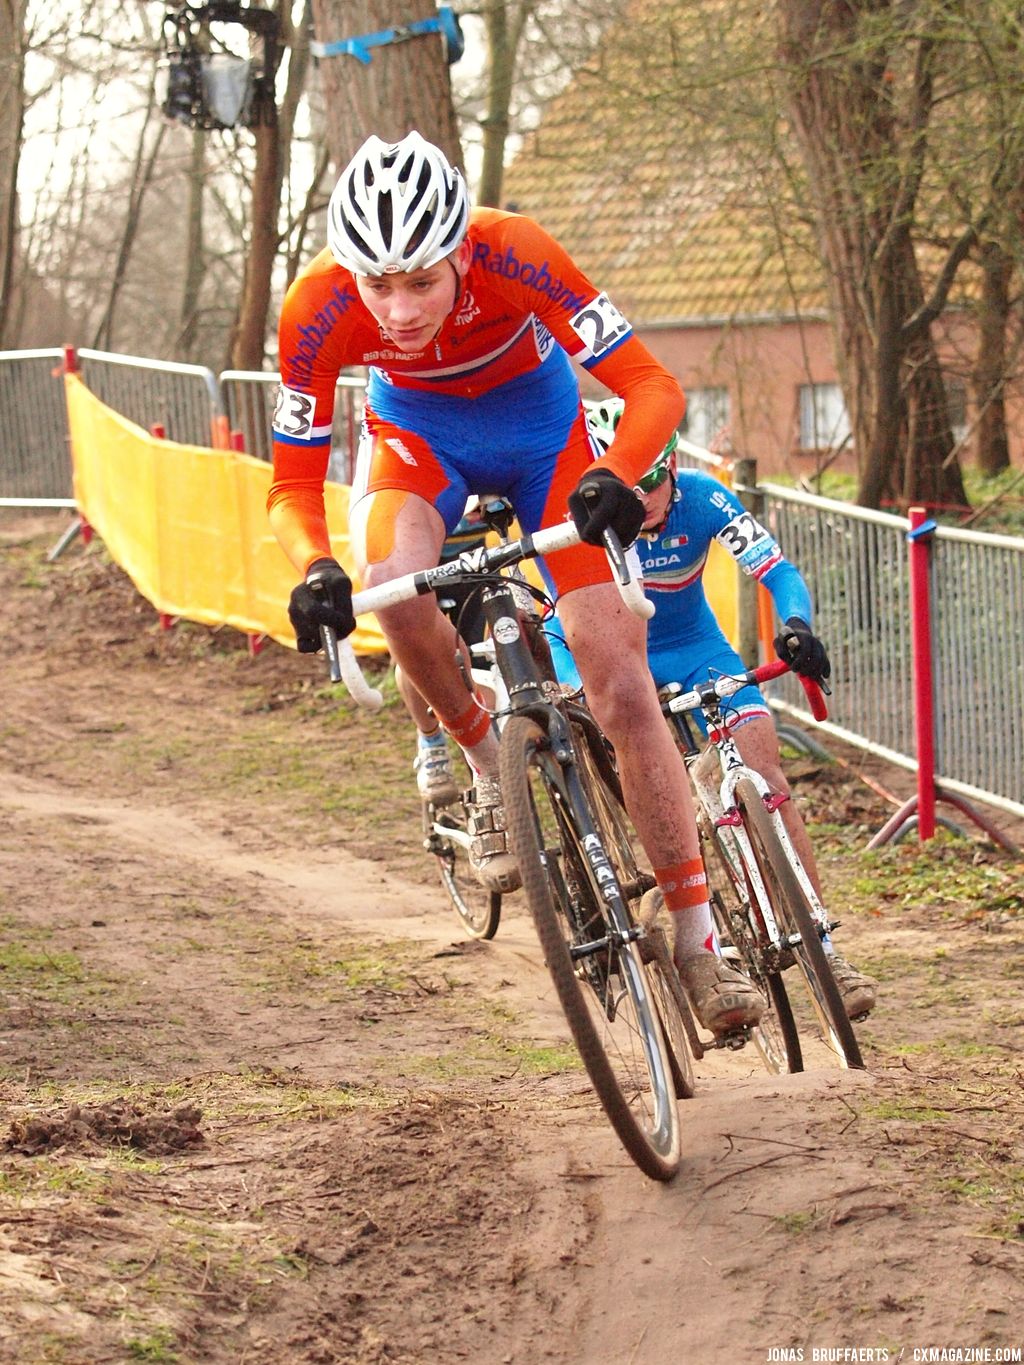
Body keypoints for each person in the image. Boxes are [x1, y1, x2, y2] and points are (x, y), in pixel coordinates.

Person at [268, 129, 764, 1038]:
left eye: (422, 279)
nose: (401, 308)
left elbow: (651, 384)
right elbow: (293, 483)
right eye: (378, 285)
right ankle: (481, 760)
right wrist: (312, 567)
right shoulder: (314, 307)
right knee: (390, 578)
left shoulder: (517, 251)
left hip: (545, 438)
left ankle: (698, 941)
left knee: (617, 680)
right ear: (350, 272)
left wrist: (617, 469)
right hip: (418, 443)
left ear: (461, 251)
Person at [585, 397, 877, 1019]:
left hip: (698, 652)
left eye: (654, 481)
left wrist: (795, 623)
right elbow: (560, 626)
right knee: (651, 797)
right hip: (626, 663)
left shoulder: (703, 496)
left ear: (671, 466)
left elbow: (778, 571)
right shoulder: (586, 522)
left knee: (765, 771)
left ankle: (823, 944)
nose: (645, 503)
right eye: (629, 489)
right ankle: (698, 942)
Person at [396, 498, 489, 808]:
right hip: (412, 553)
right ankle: (431, 741)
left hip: (469, 553)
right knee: (418, 652)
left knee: (480, 658)